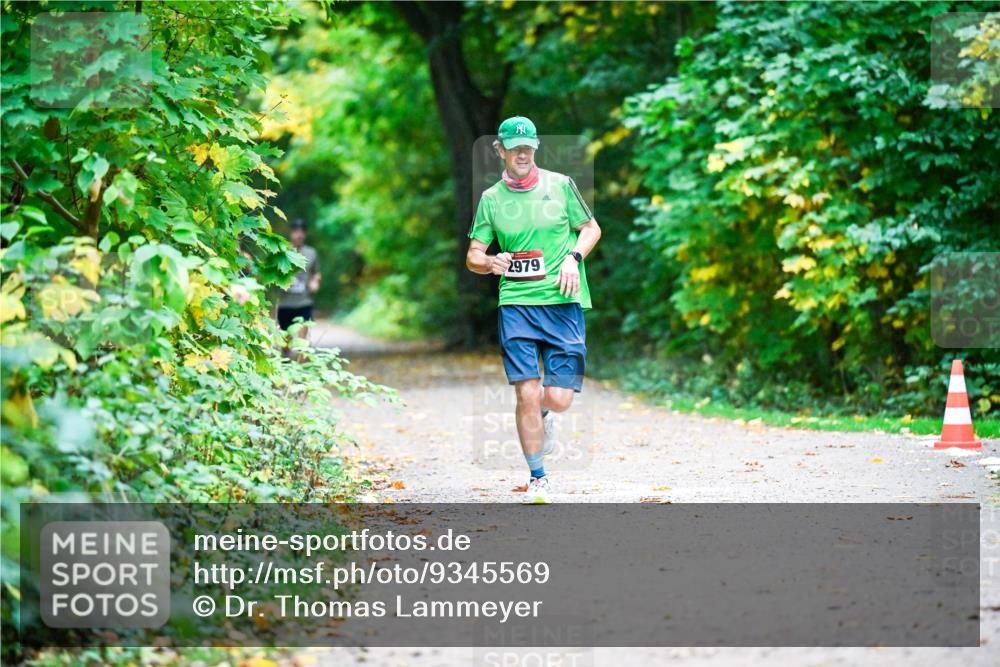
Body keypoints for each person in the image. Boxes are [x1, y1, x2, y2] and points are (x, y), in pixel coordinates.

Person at [466, 116, 601, 504]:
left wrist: (574, 257)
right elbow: (474, 254)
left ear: (535, 149)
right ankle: (538, 476)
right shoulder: (491, 199)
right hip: (517, 306)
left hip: (562, 302)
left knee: (557, 398)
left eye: (528, 147)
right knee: (526, 391)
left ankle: (545, 414)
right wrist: (489, 262)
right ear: (500, 151)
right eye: (514, 147)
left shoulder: (560, 186)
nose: (522, 153)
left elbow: (591, 228)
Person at [276, 219, 321, 347]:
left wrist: (315, 282)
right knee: (286, 344)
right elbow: (272, 272)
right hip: (285, 303)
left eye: (302, 231)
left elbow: (316, 273)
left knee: (303, 343)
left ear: (305, 234)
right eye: (296, 231)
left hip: (304, 302)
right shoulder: (282, 252)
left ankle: (302, 366)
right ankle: (286, 365)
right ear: (291, 233)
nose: (299, 235)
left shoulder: (311, 253)